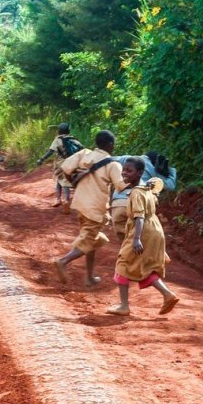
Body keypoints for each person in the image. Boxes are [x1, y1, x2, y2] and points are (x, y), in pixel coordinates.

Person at [107, 157, 179, 316]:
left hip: (143, 231)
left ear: (140, 173)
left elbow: (139, 217)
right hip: (154, 229)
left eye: (129, 171)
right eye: (123, 170)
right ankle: (168, 295)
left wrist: (136, 239)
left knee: (123, 263)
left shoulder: (136, 193)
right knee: (143, 267)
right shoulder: (146, 190)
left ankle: (124, 306)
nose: (124, 173)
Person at [54, 130, 124, 287]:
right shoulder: (113, 165)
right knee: (88, 240)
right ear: (111, 145)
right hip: (95, 208)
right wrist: (138, 185)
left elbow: (65, 167)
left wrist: (73, 180)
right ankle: (63, 261)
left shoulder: (85, 154)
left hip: (80, 204)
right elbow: (120, 186)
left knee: (91, 240)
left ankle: (90, 277)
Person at [110, 151, 177, 243]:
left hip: (118, 205)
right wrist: (171, 171)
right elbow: (170, 186)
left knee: (125, 242)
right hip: (138, 205)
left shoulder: (127, 159)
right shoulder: (153, 170)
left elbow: (108, 159)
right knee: (142, 240)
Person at [35, 123, 81, 211]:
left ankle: (65, 200)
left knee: (64, 181)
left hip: (61, 163)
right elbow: (81, 148)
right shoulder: (72, 139)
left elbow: (50, 151)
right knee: (60, 180)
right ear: (68, 131)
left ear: (59, 131)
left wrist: (41, 159)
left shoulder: (58, 139)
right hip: (72, 162)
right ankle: (58, 199)